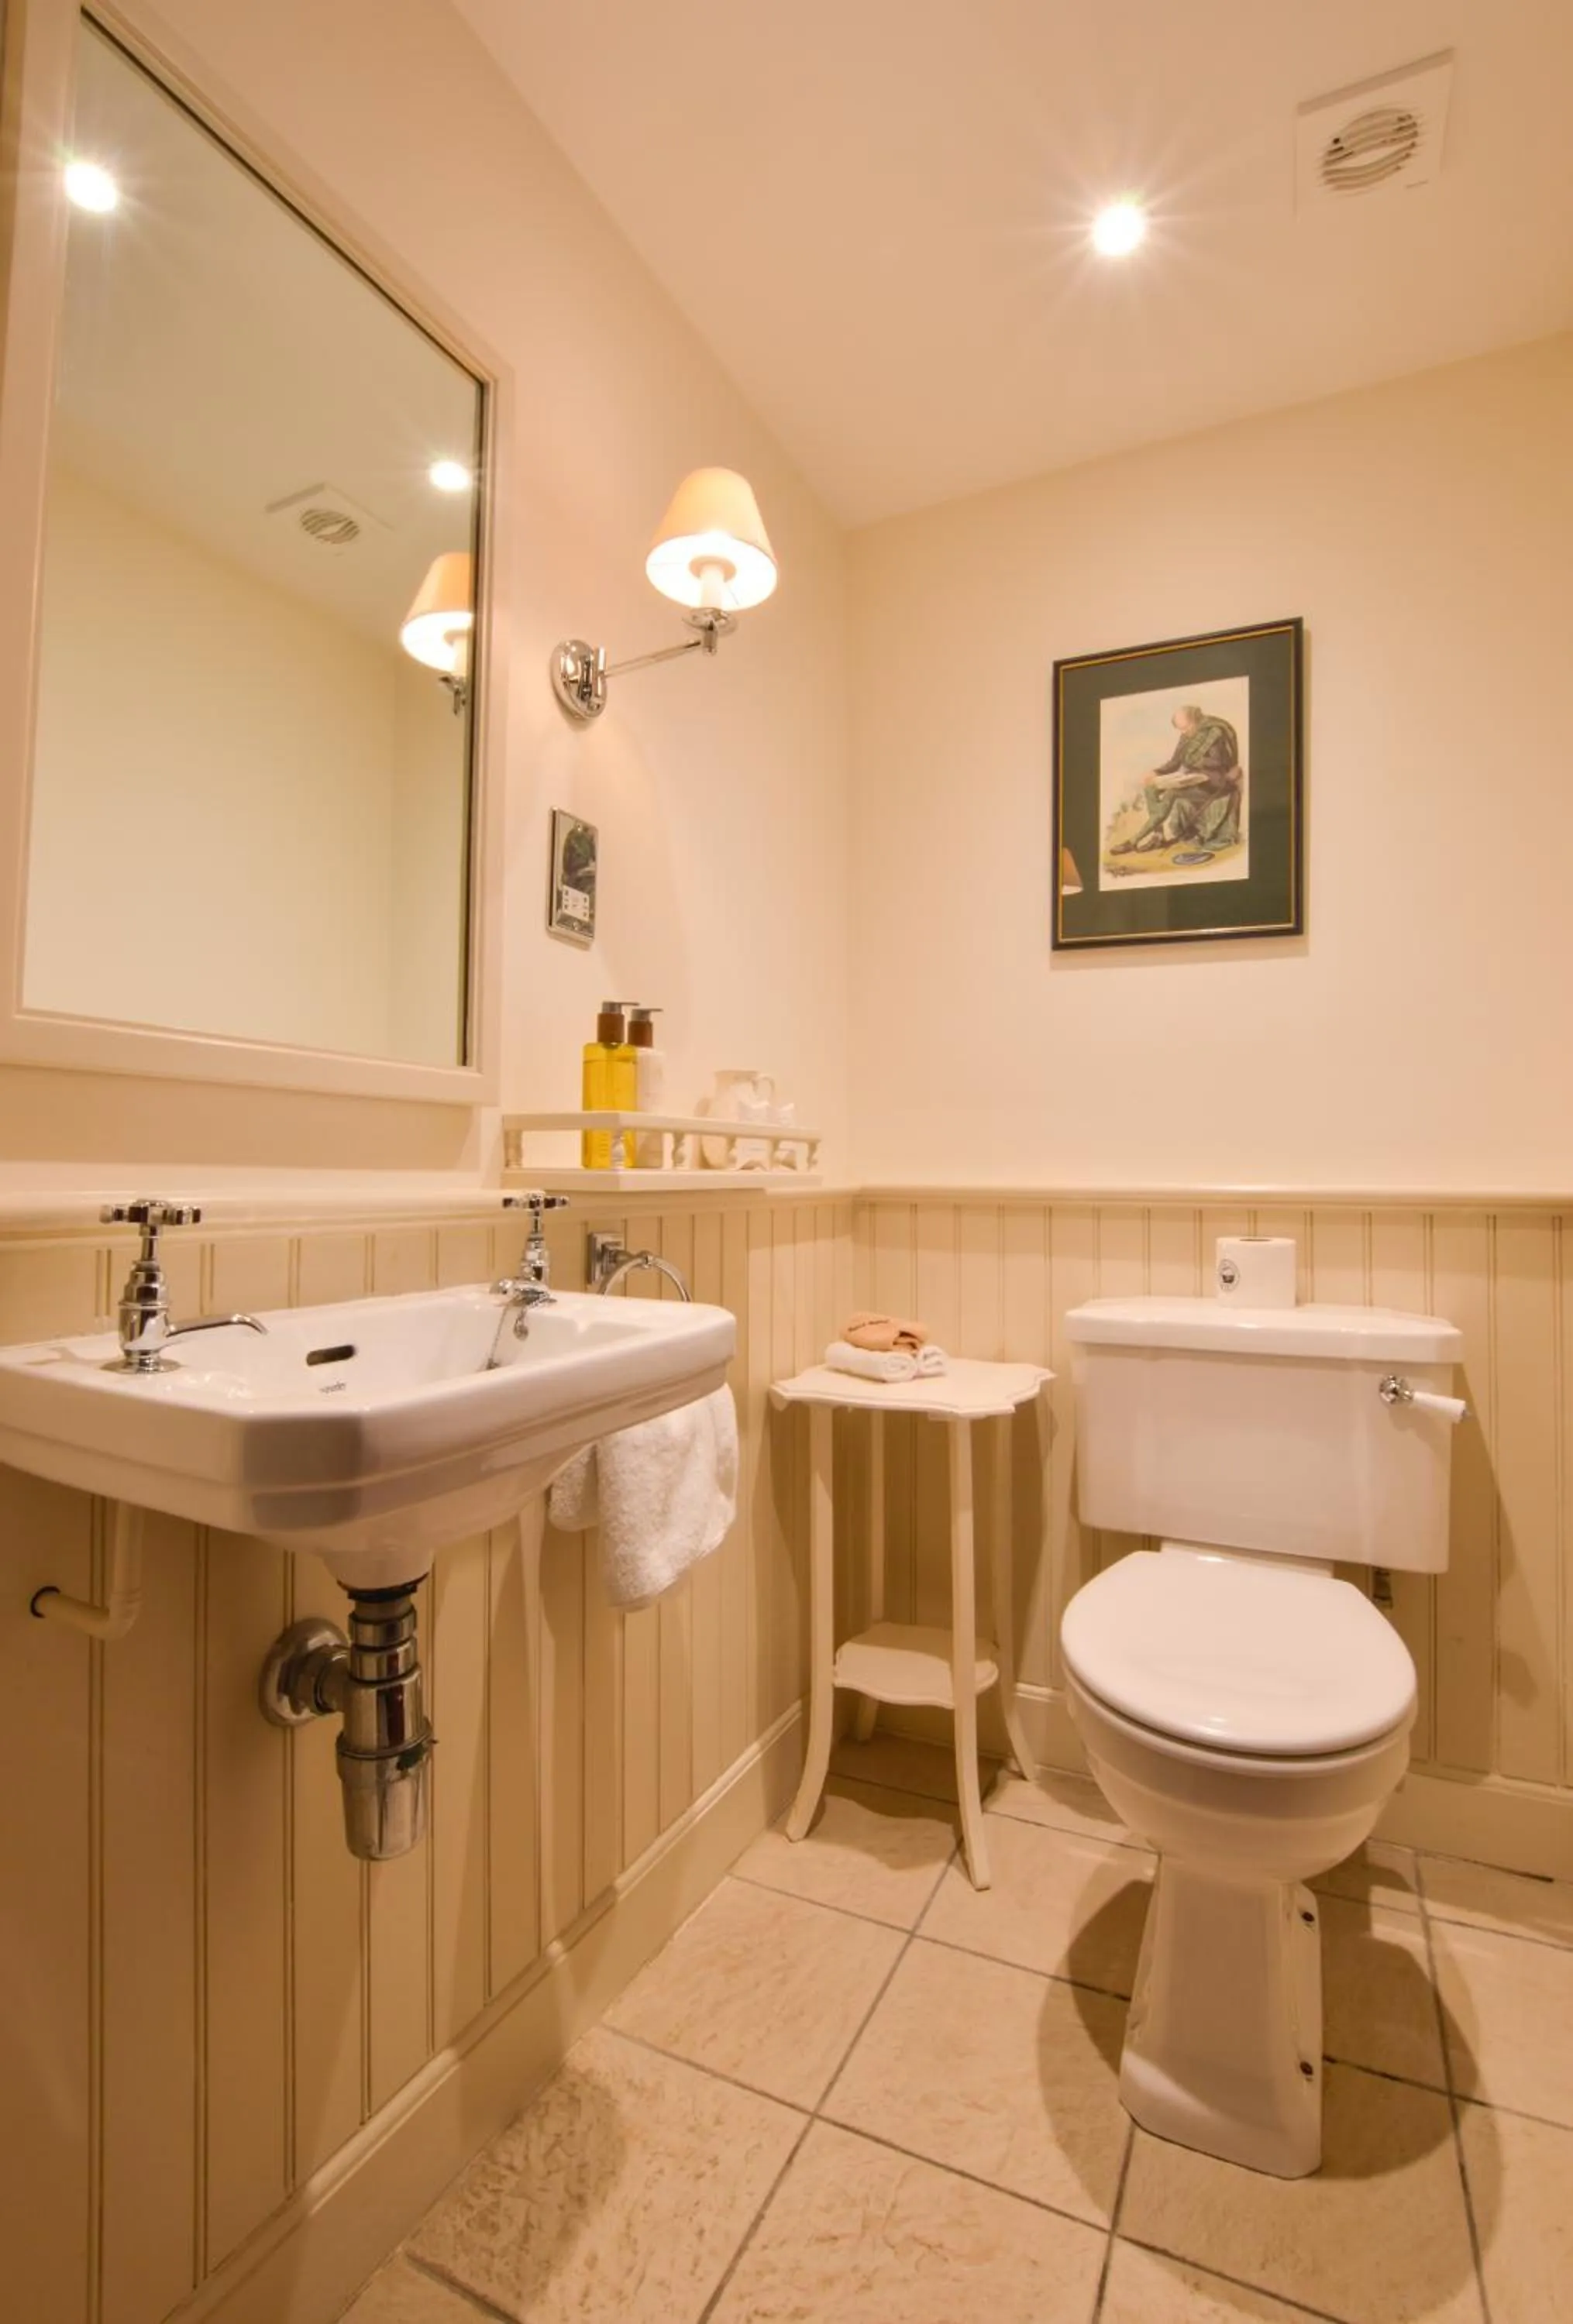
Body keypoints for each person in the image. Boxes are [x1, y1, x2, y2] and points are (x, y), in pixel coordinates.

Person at [1110, 703, 1243, 854]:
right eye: (1181, 729)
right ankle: (1158, 836)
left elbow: (1220, 763)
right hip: (1193, 779)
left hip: (1214, 782)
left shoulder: (1214, 733)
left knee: (1172, 793)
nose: (1183, 732)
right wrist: (1156, 772)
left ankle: (1132, 841)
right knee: (1150, 788)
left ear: (1196, 720)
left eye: (1186, 728)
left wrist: (1195, 765)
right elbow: (1175, 762)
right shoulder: (1187, 735)